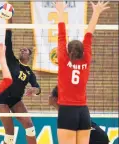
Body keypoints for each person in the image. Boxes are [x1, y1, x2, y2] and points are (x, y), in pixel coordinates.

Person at [55, 1, 109, 144]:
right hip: (83, 112)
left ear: (68, 51)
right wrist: (97, 12)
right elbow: (89, 35)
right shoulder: (86, 60)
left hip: (67, 111)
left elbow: (61, 34)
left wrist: (60, 11)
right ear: (83, 51)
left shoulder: (63, 59)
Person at [0, 19, 41, 144]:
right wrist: (9, 20)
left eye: (25, 50)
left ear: (29, 55)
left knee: (30, 128)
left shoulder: (29, 72)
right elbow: (8, 38)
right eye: (21, 50)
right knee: (10, 136)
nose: (22, 51)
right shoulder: (12, 60)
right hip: (3, 99)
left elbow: (38, 88)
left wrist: (35, 90)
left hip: (16, 100)